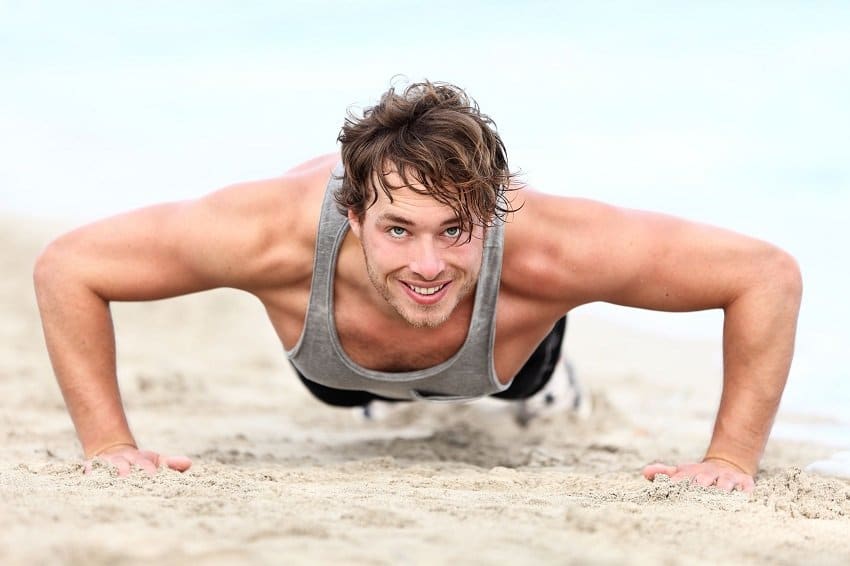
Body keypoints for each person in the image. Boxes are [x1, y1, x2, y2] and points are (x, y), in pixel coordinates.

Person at [33, 81, 802, 491]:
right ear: (353, 211)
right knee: (346, 395)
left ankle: (544, 375)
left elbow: (764, 275)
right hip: (333, 371)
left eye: (456, 230)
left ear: (492, 212)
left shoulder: (554, 247)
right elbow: (70, 267)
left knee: (519, 384)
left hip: (503, 360)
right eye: (398, 230)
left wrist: (730, 460)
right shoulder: (266, 233)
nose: (429, 264)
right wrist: (109, 447)